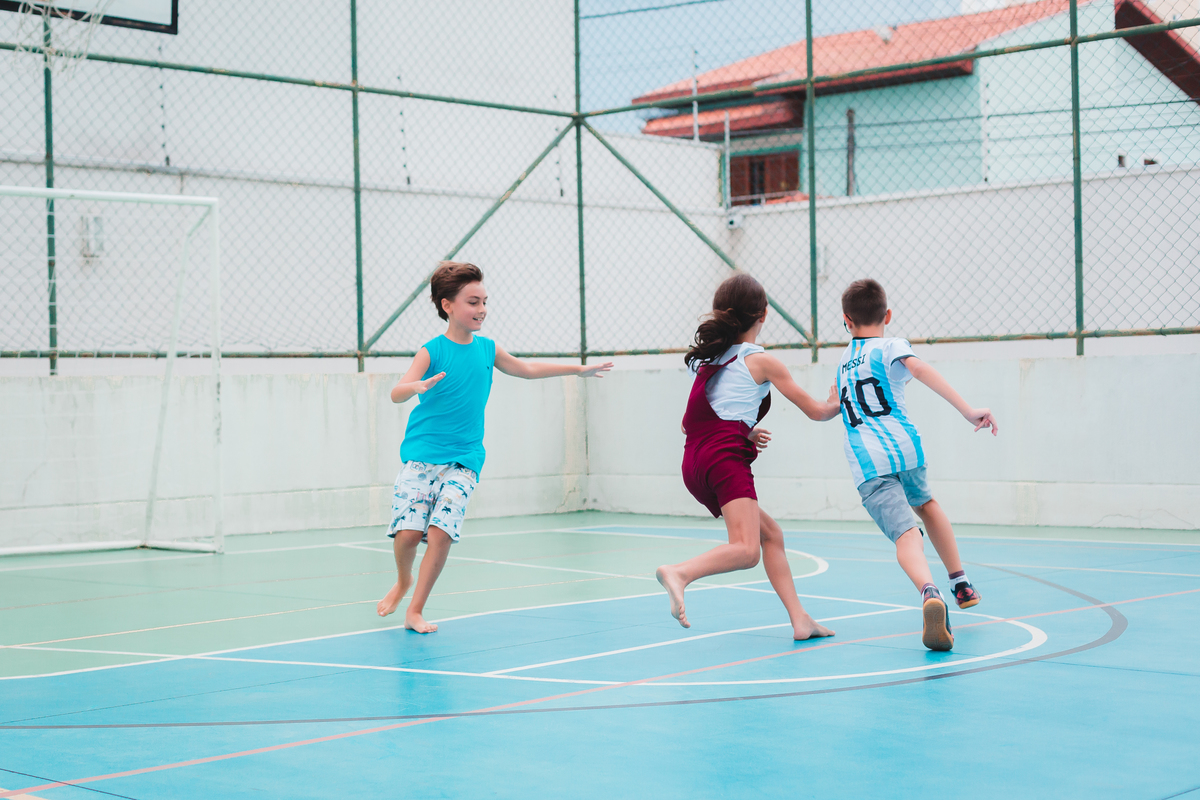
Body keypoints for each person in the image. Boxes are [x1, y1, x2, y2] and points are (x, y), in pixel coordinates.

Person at [376, 261, 612, 633]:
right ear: (447, 305)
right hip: (421, 456)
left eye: (485, 301)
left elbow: (526, 369)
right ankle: (403, 580)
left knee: (440, 532)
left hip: (465, 459)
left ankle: (415, 610)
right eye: (473, 302)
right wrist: (416, 387)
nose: (482, 309)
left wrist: (577, 370)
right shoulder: (431, 351)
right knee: (407, 535)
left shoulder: (487, 349)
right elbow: (395, 393)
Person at [654, 273, 840, 640]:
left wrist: (744, 428)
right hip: (723, 460)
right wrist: (836, 403)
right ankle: (680, 573)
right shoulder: (761, 361)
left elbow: (691, 423)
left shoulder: (709, 361)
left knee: (771, 535)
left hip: (694, 462)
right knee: (746, 550)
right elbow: (816, 411)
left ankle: (800, 620)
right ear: (764, 315)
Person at [834, 278, 997, 651]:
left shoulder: (843, 363)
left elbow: (837, 408)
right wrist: (968, 410)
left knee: (906, 535)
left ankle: (929, 592)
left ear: (846, 320)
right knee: (927, 505)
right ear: (887, 314)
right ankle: (961, 582)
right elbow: (918, 369)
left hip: (868, 460)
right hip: (906, 448)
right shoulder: (891, 345)